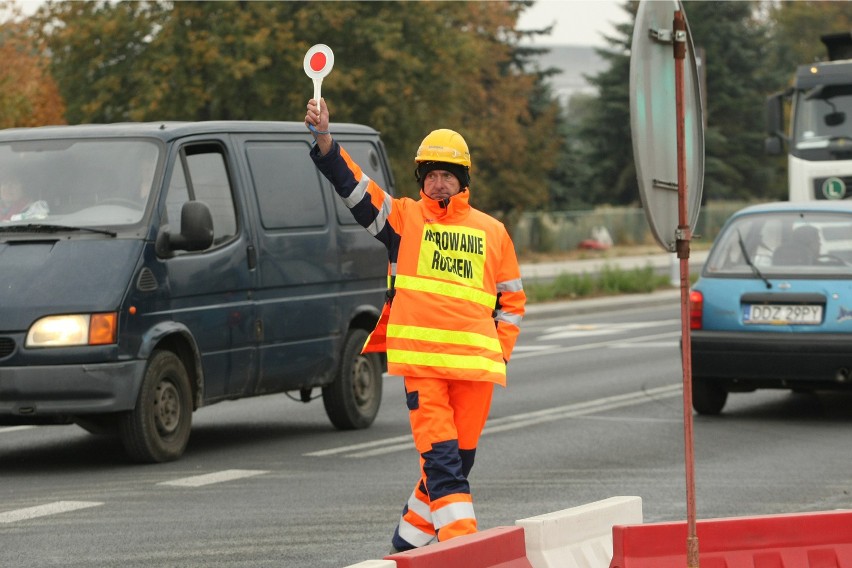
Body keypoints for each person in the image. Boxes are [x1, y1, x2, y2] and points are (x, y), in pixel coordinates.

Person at [305, 98, 526, 553]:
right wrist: (325, 140)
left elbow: (512, 300)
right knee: (443, 465)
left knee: (451, 469)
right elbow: (356, 189)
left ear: (462, 180)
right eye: (430, 174)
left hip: (475, 372)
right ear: (421, 179)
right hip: (423, 369)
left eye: (446, 174)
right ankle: (464, 552)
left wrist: (500, 349)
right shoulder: (405, 219)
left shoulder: (493, 231)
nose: (438, 181)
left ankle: (403, 553)